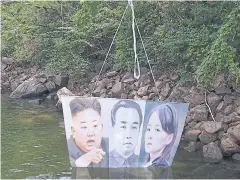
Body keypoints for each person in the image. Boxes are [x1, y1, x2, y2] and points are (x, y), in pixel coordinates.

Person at [67, 97, 109, 167]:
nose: (90, 133)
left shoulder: (112, 146)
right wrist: (81, 163)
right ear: (73, 131)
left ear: (101, 127)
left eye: (95, 126)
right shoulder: (66, 152)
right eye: (84, 127)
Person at [109, 100, 143, 168]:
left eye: (134, 127)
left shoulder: (144, 164)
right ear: (113, 129)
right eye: (123, 127)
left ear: (139, 131)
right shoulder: (102, 162)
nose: (128, 135)